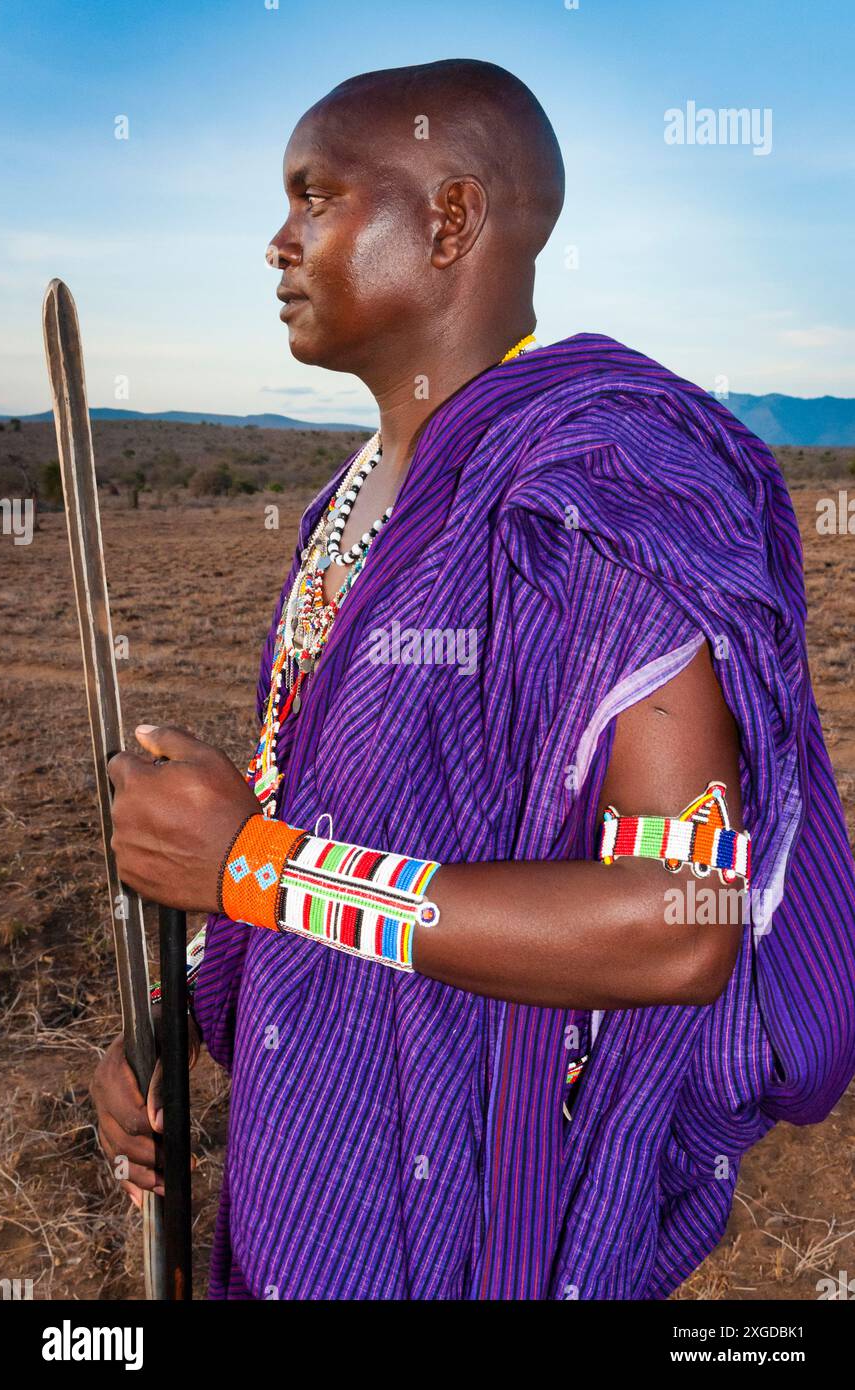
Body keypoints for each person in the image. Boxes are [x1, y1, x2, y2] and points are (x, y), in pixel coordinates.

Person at [91, 59, 855, 1300]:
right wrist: (168, 1015)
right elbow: (325, 831)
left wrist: (255, 872)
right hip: (312, 1162)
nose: (275, 241)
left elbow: (680, 924)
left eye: (314, 196)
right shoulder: (346, 506)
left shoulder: (603, 493)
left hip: (482, 1214)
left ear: (448, 219)